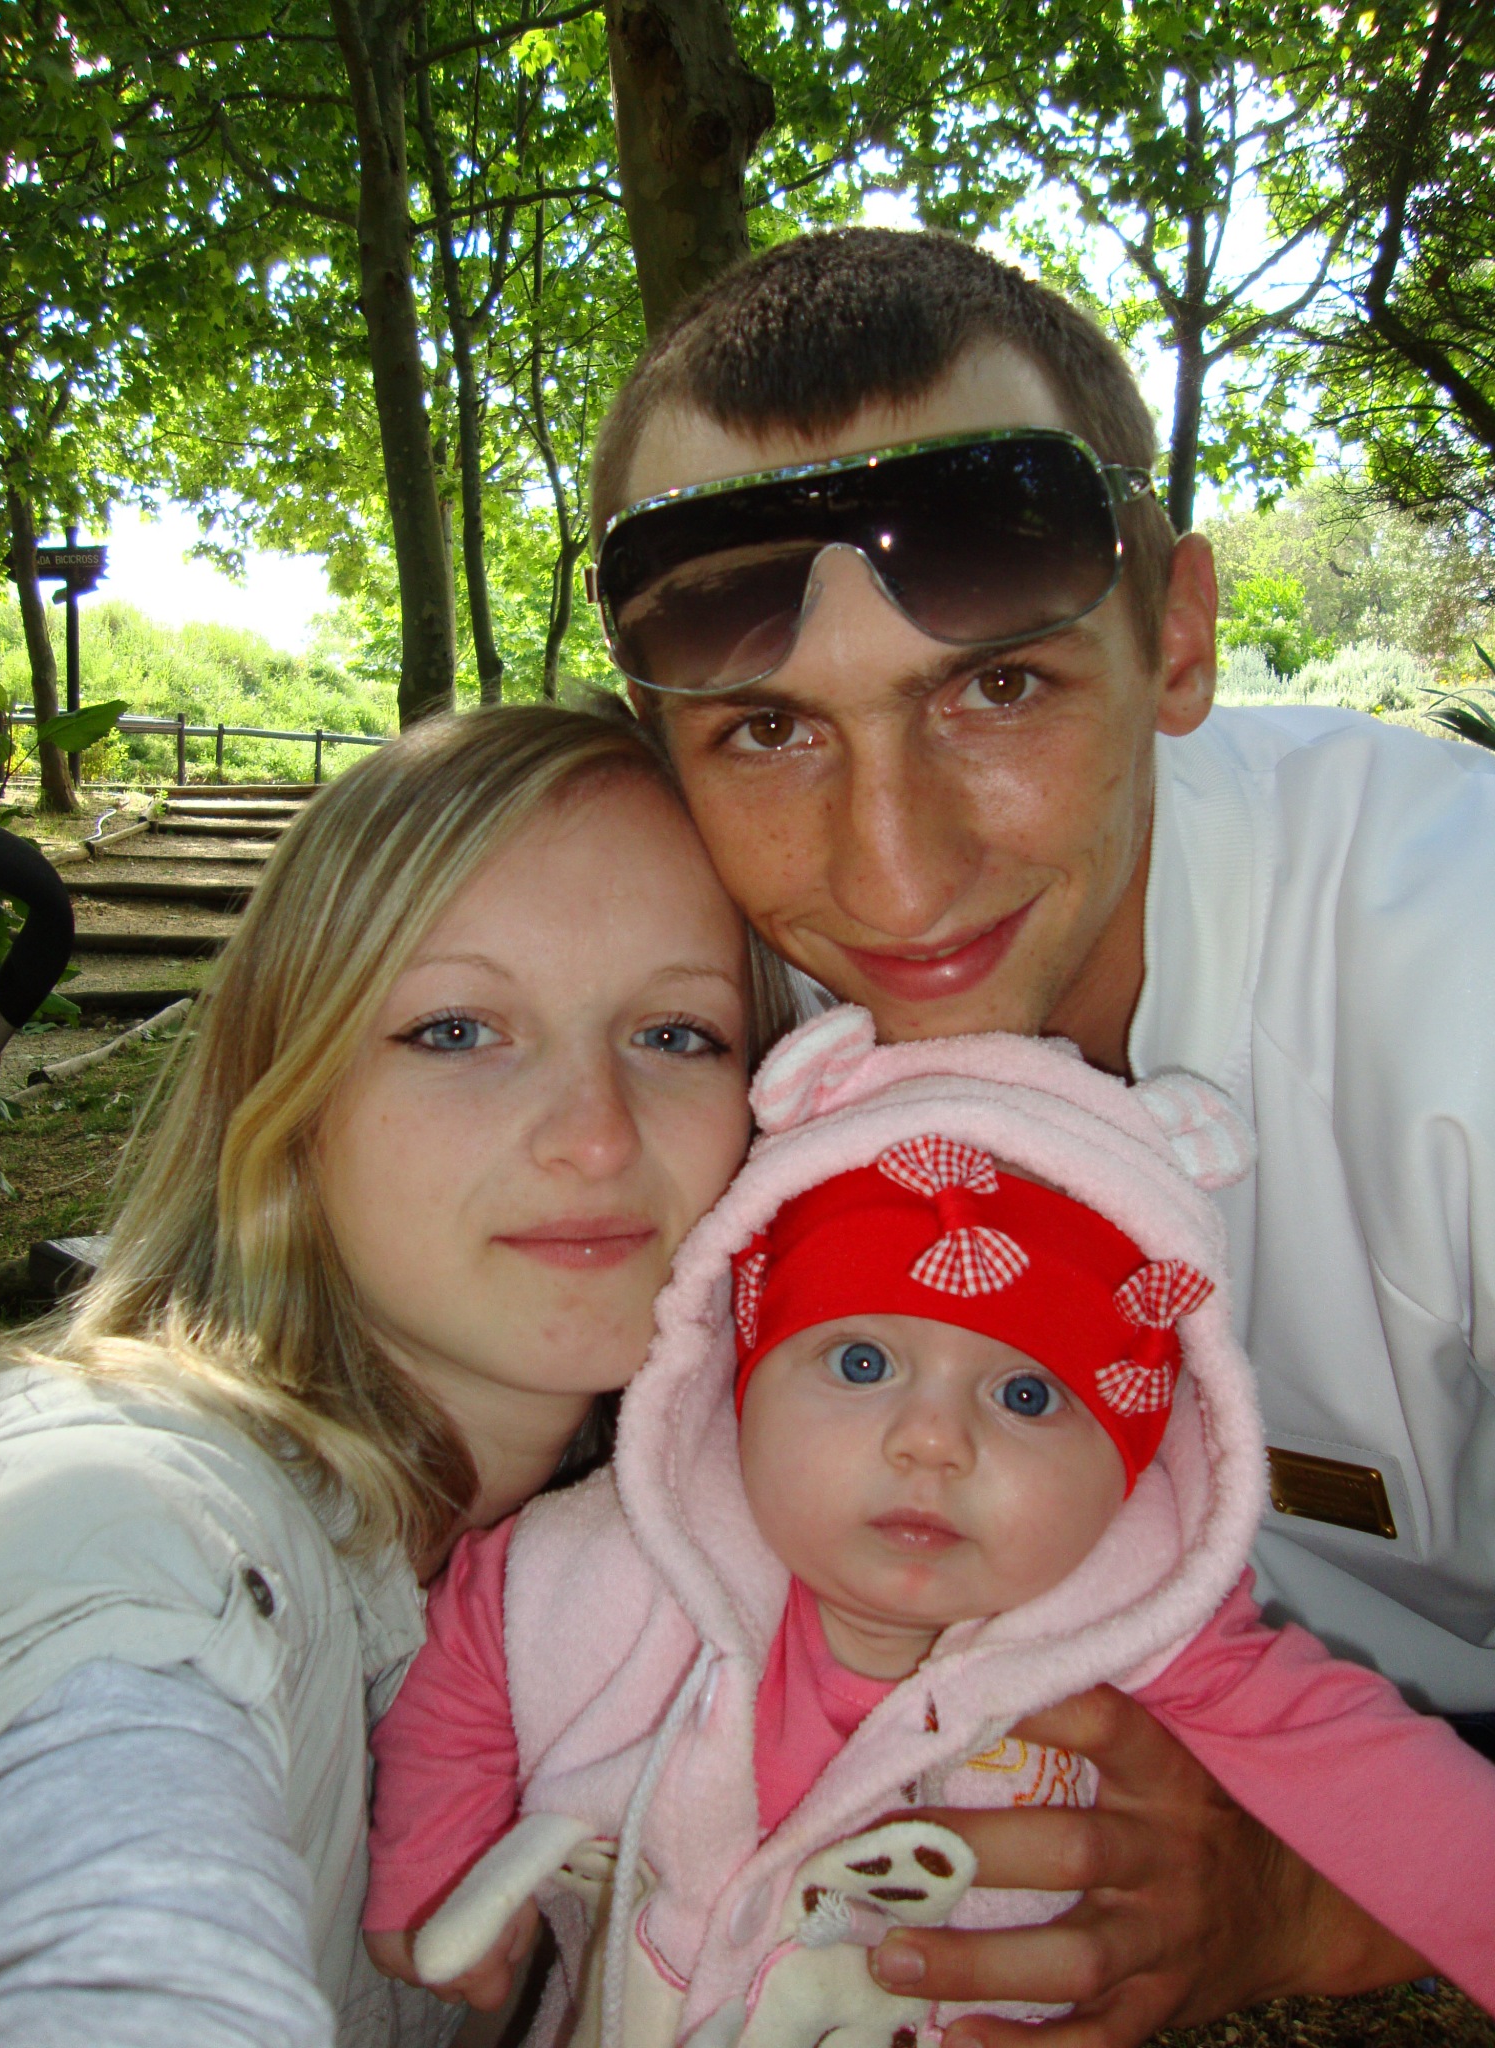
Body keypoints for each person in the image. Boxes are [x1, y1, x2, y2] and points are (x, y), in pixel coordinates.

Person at [579, 227, 1495, 2036]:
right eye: (766, 730)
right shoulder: (683, 995)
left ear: (1177, 636)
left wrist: (1316, 1903)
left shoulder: (1457, 949)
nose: (891, 879)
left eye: (995, 687)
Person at [361, 1007, 1495, 2048]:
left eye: (1027, 1395)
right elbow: (475, 1649)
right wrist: (432, 1860)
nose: (933, 1441)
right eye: (861, 1363)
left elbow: (1403, 1799)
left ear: (1130, 1468)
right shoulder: (622, 1558)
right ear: (740, 1380)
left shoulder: (1149, 1632)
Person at [0, 704, 797, 2047]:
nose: (595, 1137)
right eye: (457, 1029)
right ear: (290, 1100)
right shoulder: (127, 1501)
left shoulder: (709, 1548)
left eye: (679, 1034)